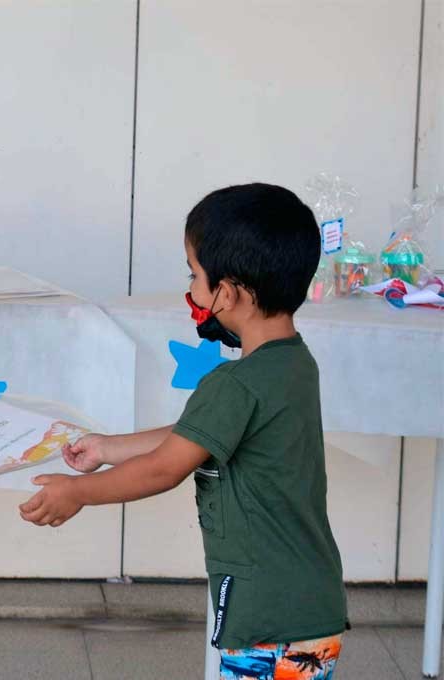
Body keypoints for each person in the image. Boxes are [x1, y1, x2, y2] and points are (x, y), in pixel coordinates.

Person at [19, 184, 348, 679]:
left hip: (269, 619)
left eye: (194, 275)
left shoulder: (234, 383)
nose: (191, 291)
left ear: (228, 294)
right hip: (307, 600)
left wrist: (78, 492)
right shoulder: (293, 364)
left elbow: (164, 468)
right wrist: (107, 447)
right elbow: (197, 433)